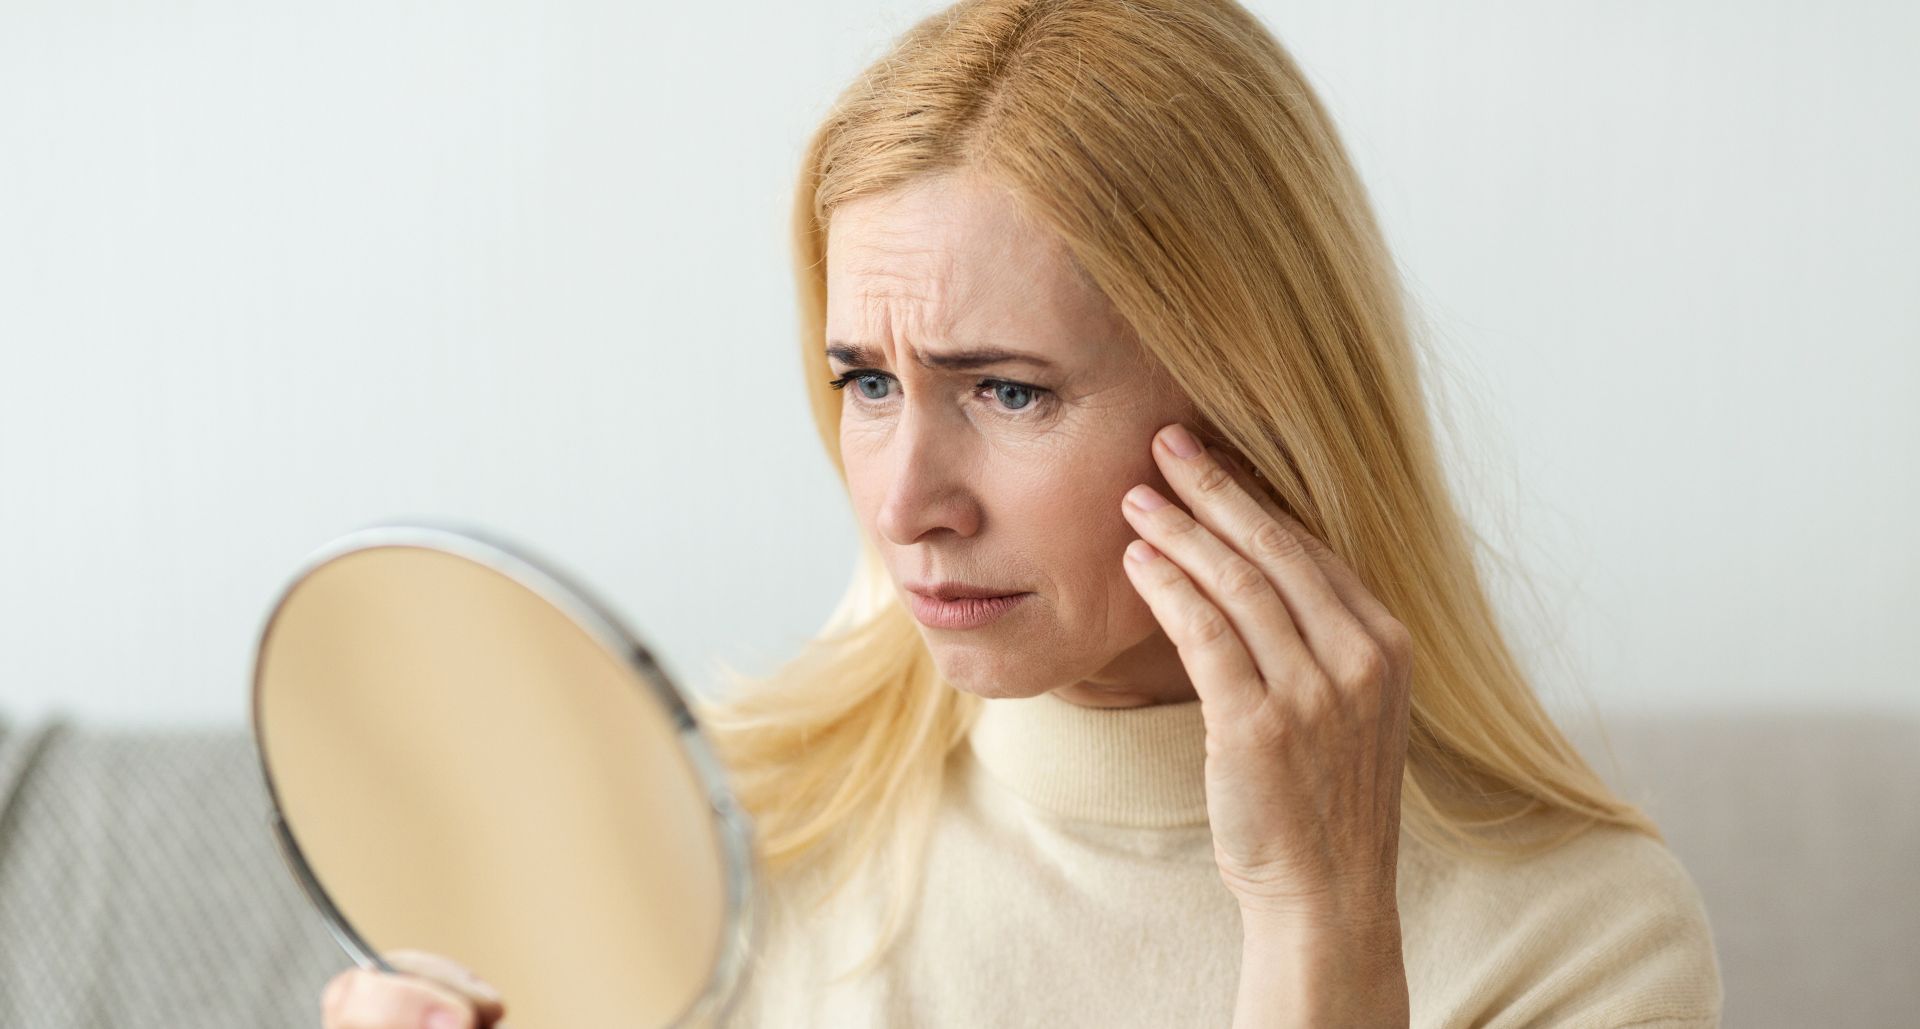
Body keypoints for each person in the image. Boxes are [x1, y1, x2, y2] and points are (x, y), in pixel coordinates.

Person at [320, 0, 1724, 1026]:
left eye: (1006, 390)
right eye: (867, 380)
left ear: (1257, 402)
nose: (903, 499)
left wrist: (1319, 925)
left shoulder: (1580, 940)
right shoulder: (724, 851)